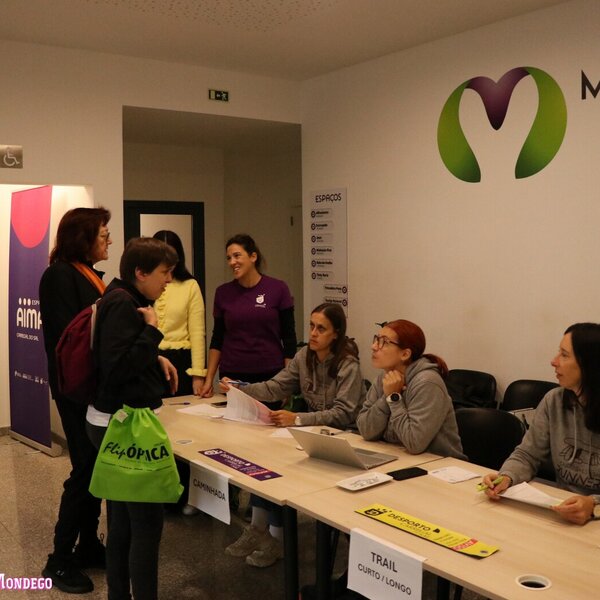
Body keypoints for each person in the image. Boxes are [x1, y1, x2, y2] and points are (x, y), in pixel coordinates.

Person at [221, 303, 366, 568]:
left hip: (345, 438)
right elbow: (276, 387)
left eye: (321, 328)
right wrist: (240, 388)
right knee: (267, 461)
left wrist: (297, 419)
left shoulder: (348, 365)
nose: (313, 333)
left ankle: (277, 540)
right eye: (311, 326)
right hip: (313, 434)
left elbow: (344, 413)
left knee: (282, 470)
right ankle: (258, 529)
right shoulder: (304, 356)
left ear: (336, 334)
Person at [85, 237, 179, 600]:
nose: (168, 280)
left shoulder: (119, 296)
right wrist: (152, 331)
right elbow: (118, 368)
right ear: (140, 272)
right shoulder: (125, 304)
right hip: (121, 426)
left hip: (113, 422)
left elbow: (117, 354)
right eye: (164, 273)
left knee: (123, 522)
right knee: (146, 526)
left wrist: (155, 356)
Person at [39, 207, 112, 594]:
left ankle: (88, 545)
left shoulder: (86, 274)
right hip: (75, 388)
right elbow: (73, 336)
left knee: (94, 467)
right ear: (83, 238)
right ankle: (59, 559)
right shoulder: (59, 276)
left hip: (91, 389)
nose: (109, 240)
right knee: (84, 469)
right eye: (103, 234)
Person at [483, 323, 600, 525]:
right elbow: (527, 454)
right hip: (563, 513)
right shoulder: (554, 400)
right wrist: (507, 477)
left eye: (564, 355)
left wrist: (594, 505)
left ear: (589, 364)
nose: (554, 362)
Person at [200, 233, 297, 398]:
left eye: (237, 256)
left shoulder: (278, 288)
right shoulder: (223, 293)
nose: (232, 262)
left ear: (253, 256)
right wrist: (209, 379)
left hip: (270, 375)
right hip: (232, 375)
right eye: (229, 258)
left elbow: (289, 337)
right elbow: (217, 338)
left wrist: (287, 382)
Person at [152, 230, 207, 515]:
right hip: (153, 360)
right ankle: (160, 493)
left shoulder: (190, 285)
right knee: (156, 428)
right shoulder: (148, 284)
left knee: (184, 433)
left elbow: (197, 331)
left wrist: (198, 374)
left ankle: (186, 493)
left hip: (182, 362)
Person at [357, 319, 465, 459]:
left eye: (384, 342)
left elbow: (414, 443)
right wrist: (386, 397)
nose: (374, 346)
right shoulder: (384, 378)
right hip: (397, 457)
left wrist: (393, 398)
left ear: (405, 354)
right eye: (376, 339)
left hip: (439, 464)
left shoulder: (428, 382)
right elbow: (366, 431)